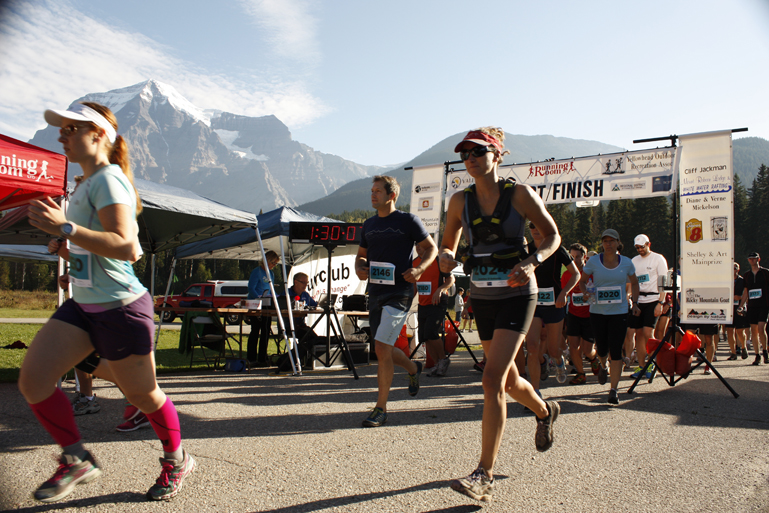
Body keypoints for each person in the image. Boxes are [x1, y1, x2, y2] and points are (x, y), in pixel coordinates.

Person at [21, 102, 194, 502]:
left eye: (70, 128)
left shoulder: (109, 180)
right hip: (83, 305)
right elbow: (95, 251)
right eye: (60, 129)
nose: (61, 135)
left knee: (143, 395)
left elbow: (127, 247)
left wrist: (65, 226)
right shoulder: (83, 183)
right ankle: (77, 459)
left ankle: (176, 459)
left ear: (98, 135)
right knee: (32, 381)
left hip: (120, 307)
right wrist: (67, 248)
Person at [440, 127, 560, 502]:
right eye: (464, 154)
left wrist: (532, 261)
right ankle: (544, 411)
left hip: (518, 294)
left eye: (477, 151)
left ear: (497, 154)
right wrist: (445, 263)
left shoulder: (520, 195)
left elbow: (553, 236)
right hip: (482, 296)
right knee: (506, 381)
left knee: (491, 380)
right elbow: (448, 248)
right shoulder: (460, 201)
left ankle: (483, 474)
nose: (470, 159)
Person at [356, 175, 436, 427]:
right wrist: (359, 267)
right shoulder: (368, 225)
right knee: (385, 348)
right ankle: (413, 368)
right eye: (371, 191)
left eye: (378, 191)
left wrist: (419, 268)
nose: (372, 195)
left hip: (400, 291)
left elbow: (431, 248)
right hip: (376, 291)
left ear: (391, 195)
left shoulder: (407, 220)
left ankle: (380, 408)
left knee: (381, 348)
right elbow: (361, 255)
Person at [579, 228, 640, 405]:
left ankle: (613, 390)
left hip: (619, 312)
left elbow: (635, 283)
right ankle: (602, 364)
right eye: (605, 241)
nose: (608, 244)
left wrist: (635, 303)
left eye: (611, 241)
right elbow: (582, 281)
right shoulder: (593, 262)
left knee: (616, 349)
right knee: (602, 348)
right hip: (597, 312)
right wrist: (585, 293)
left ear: (618, 243)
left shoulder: (627, 262)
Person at [524, 224, 579, 389]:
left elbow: (576, 274)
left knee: (554, 349)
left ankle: (558, 360)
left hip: (554, 303)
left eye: (537, 224)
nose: (534, 228)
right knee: (532, 347)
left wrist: (564, 293)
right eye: (531, 225)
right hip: (532, 302)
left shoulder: (555, 248)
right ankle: (535, 390)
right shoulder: (525, 250)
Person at [628, 234, 668, 380]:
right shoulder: (634, 261)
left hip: (653, 299)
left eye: (642, 247)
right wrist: (631, 298)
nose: (639, 250)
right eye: (637, 248)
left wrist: (661, 303)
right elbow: (632, 281)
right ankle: (641, 365)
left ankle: (652, 364)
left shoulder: (658, 259)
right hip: (639, 300)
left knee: (647, 333)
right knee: (638, 334)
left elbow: (663, 281)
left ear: (648, 244)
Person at [414, 249, 455, 377]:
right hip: (423, 303)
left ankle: (443, 359)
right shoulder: (414, 262)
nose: (420, 248)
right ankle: (437, 364)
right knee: (424, 336)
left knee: (431, 332)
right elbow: (415, 284)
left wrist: (440, 289)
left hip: (437, 301)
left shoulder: (438, 260)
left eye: (423, 246)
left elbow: (451, 279)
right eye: (418, 246)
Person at [563, 243, 599, 384]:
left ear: (584, 257)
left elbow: (600, 292)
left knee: (587, 349)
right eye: (572, 257)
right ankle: (580, 373)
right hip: (573, 314)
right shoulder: (567, 275)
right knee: (573, 345)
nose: (575, 259)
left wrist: (590, 295)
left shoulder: (592, 273)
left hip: (590, 315)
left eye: (578, 256)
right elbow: (564, 294)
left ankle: (594, 358)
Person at [247, 250, 279, 365]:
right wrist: (258, 299)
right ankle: (251, 358)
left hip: (267, 304)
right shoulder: (256, 272)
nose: (274, 266)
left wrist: (274, 298)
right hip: (255, 304)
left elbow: (271, 289)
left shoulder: (271, 274)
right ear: (267, 261)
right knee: (255, 330)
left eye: (275, 264)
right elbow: (251, 288)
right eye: (273, 263)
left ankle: (262, 357)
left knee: (266, 330)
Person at [737, 252, 769, 365]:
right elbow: (746, 291)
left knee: (761, 328)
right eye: (750, 259)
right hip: (752, 306)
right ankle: (757, 355)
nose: (752, 260)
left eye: (754, 259)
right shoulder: (747, 275)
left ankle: (765, 351)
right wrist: (741, 306)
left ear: (758, 259)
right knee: (754, 331)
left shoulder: (765, 273)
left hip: (764, 305)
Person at [725, 263, 748, 360]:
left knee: (739, 331)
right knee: (730, 331)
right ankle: (733, 353)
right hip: (728, 308)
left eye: (735, 268)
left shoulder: (742, 280)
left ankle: (743, 347)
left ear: (738, 270)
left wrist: (740, 299)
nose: (733, 270)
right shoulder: (726, 281)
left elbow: (746, 293)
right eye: (732, 268)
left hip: (738, 307)